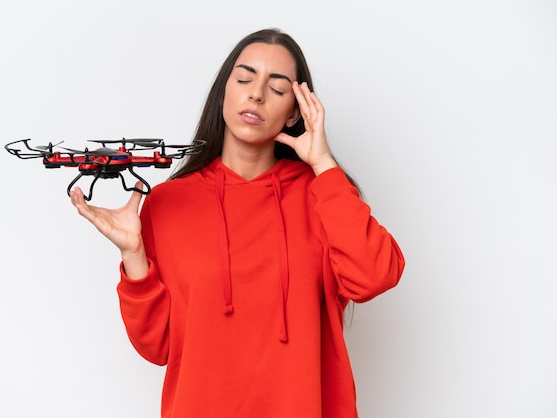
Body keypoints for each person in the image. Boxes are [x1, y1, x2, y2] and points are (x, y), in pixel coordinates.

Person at [70, 28, 405, 418]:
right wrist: (134, 255)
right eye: (244, 79)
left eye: (277, 89)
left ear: (295, 111)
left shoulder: (324, 195)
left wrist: (323, 164)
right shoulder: (168, 203)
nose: (256, 94)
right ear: (224, 91)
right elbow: (158, 345)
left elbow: (375, 275)